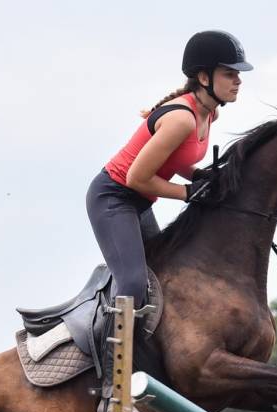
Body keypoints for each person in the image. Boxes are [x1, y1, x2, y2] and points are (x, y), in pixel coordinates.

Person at [87, 30, 252, 309]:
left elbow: (176, 159)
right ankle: (113, 353)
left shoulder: (210, 112)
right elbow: (136, 178)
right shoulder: (181, 120)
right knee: (133, 284)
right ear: (204, 78)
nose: (238, 80)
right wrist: (188, 192)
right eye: (229, 73)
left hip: (138, 201)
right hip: (113, 198)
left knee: (164, 273)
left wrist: (198, 175)